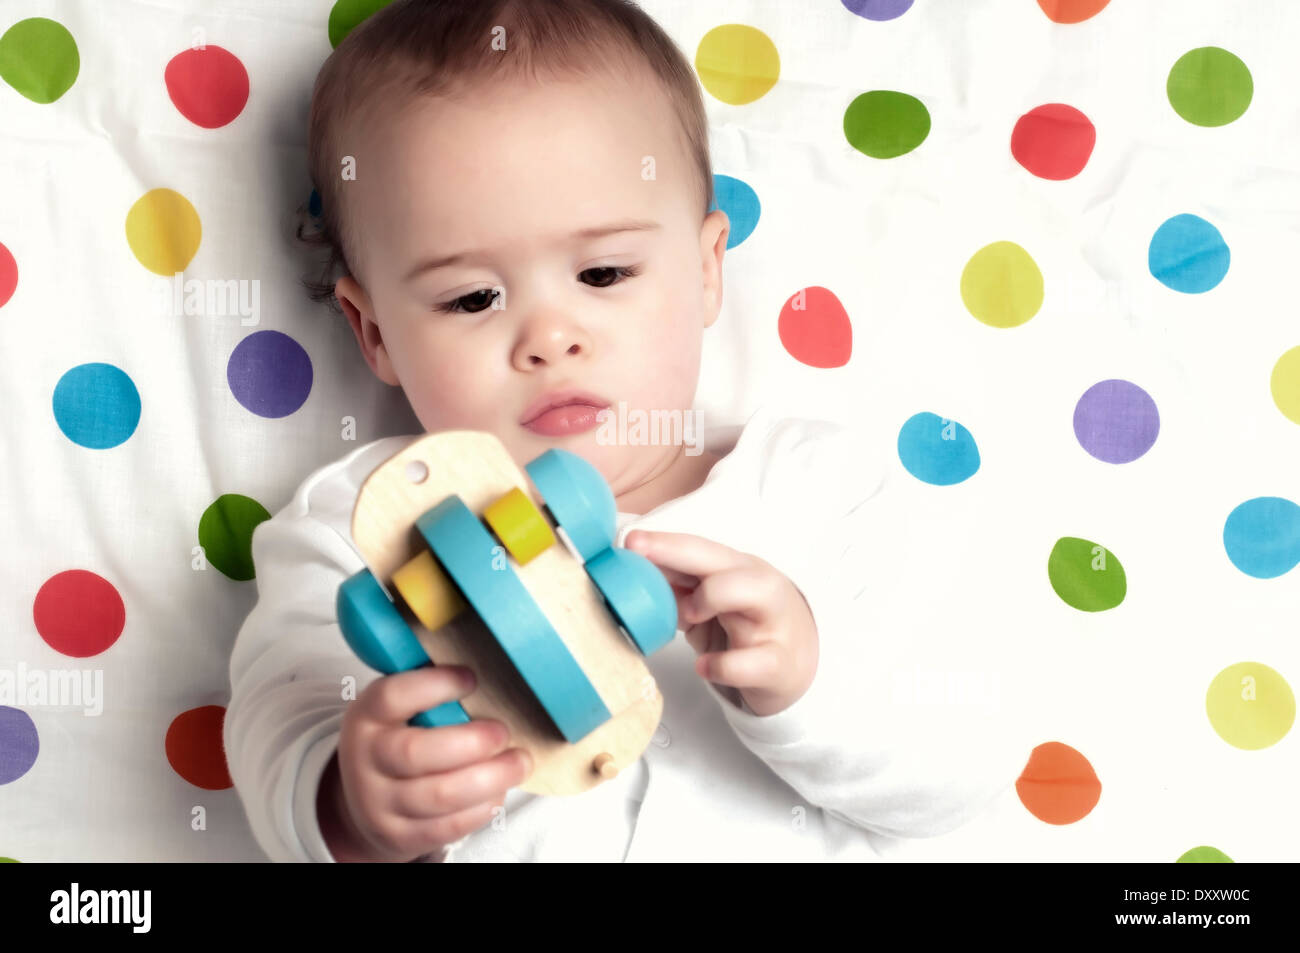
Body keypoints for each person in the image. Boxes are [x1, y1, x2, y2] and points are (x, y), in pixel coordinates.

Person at [224, 0, 1028, 863]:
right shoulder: (362, 527)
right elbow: (281, 716)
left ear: (708, 269)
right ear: (374, 331)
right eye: (471, 298)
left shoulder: (815, 489)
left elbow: (964, 771)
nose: (548, 338)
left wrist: (807, 685)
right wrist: (349, 801)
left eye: (603, 271)